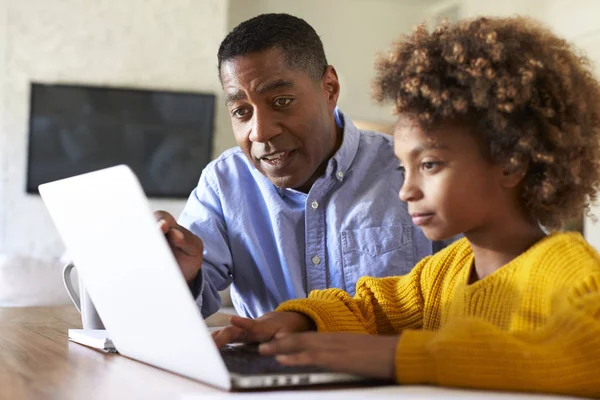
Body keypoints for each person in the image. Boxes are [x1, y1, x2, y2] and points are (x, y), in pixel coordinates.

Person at [212, 16, 600, 397]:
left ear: (511, 163)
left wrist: (401, 354)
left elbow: (586, 356)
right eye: (403, 168)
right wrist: (300, 318)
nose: (406, 191)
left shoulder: (567, 267)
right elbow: (373, 307)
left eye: (429, 165)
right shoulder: (444, 272)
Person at [155, 14, 451, 319]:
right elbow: (180, 307)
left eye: (282, 101)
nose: (259, 132)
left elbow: (468, 289)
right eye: (241, 111)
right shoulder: (223, 183)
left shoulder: (409, 171)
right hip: (267, 366)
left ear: (330, 89)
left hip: (392, 365)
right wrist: (183, 275)